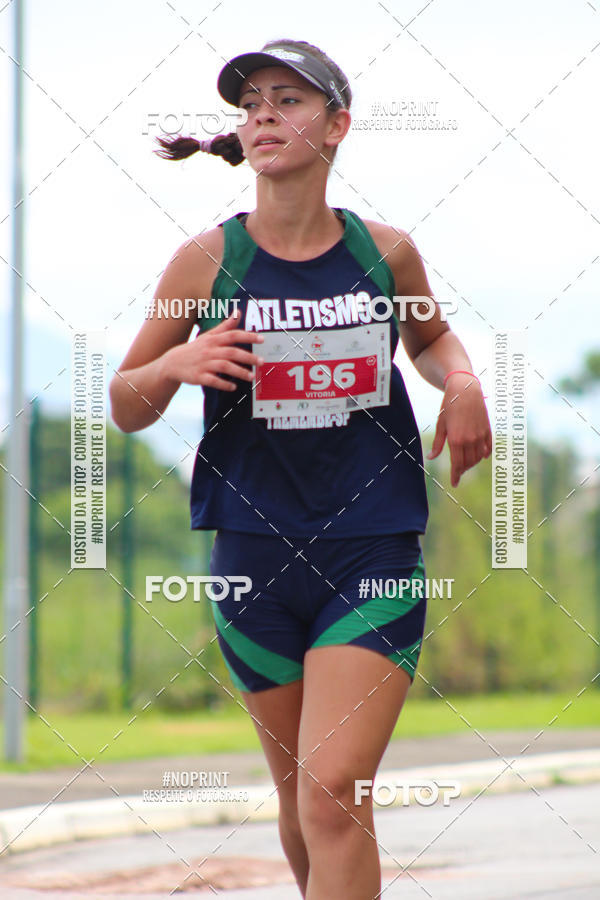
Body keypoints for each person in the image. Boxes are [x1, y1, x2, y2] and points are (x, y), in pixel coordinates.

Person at [110, 38, 491, 900]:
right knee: (300, 801)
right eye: (251, 106)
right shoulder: (206, 261)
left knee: (333, 792)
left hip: (371, 550)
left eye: (287, 100)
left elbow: (431, 338)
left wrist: (463, 381)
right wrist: (173, 365)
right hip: (252, 560)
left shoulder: (385, 253)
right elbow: (126, 403)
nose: (264, 117)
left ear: (337, 125)